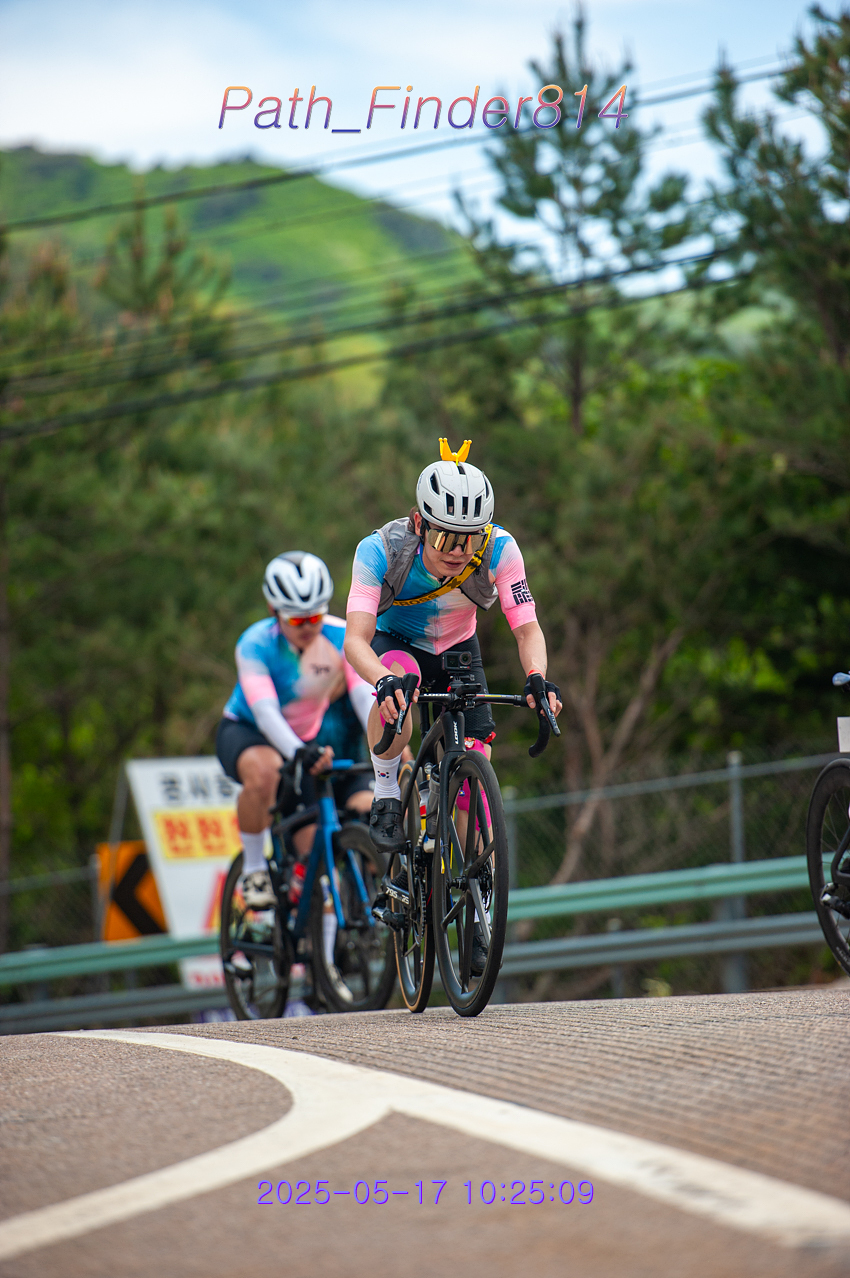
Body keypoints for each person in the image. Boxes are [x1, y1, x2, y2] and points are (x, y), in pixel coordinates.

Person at [343, 439, 562, 973]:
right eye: (445, 536)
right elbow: (354, 641)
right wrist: (383, 680)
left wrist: (537, 678)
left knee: (474, 784)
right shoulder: (379, 550)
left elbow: (527, 628)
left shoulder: (501, 549)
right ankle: (388, 791)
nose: (459, 551)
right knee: (401, 694)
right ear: (419, 523)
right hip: (396, 645)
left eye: (470, 538)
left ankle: (479, 904)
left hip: (460, 648)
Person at [215, 551, 374, 920]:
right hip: (250, 731)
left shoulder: (340, 636)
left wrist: (385, 738)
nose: (307, 626)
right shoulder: (255, 643)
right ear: (274, 610)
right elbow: (265, 712)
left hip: (304, 739)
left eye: (315, 616)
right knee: (266, 771)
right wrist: (300, 750)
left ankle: (323, 947)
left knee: (316, 860)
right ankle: (254, 870)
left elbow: (362, 696)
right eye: (296, 619)